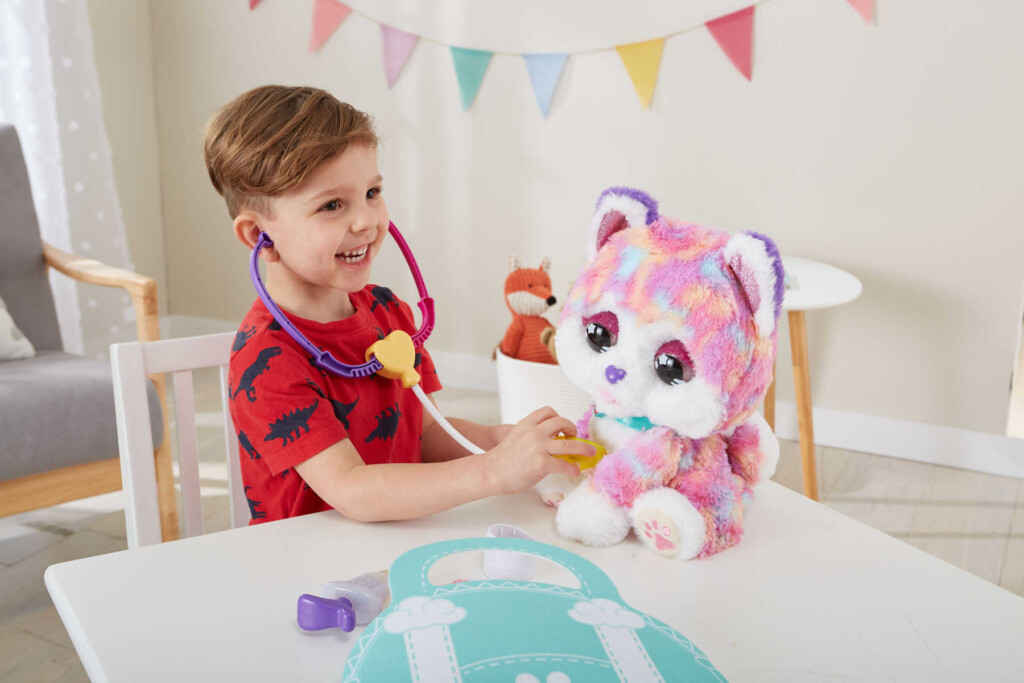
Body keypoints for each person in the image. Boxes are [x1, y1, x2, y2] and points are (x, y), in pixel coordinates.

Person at [204, 85, 588, 523]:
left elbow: (423, 434)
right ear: (259, 237)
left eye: (372, 192)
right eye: (332, 205)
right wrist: (494, 470)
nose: (366, 220)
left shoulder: (388, 312)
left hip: (395, 542)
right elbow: (352, 490)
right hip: (308, 566)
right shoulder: (268, 358)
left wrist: (500, 440)